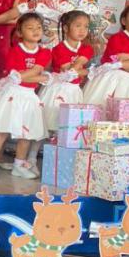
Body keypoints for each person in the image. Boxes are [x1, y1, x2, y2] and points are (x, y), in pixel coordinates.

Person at [0, 12, 50, 180]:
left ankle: (19, 165)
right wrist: (39, 77)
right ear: (19, 32)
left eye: (39, 28)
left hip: (29, 95)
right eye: (30, 28)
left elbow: (31, 72)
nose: (35, 31)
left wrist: (23, 76)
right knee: (3, 130)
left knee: (26, 132)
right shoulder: (14, 51)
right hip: (13, 93)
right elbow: (28, 75)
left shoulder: (45, 52)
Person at [32, 10, 93, 166]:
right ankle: (31, 158)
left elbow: (75, 71)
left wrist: (78, 70)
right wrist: (82, 69)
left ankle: (59, 162)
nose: (82, 30)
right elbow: (69, 71)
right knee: (46, 124)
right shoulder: (58, 49)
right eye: (78, 26)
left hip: (74, 90)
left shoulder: (87, 48)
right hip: (57, 89)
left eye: (86, 26)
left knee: (68, 127)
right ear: (66, 28)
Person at [83, 2, 129, 105]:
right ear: (124, 21)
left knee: (125, 112)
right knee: (101, 109)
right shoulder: (117, 38)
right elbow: (127, 61)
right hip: (110, 81)